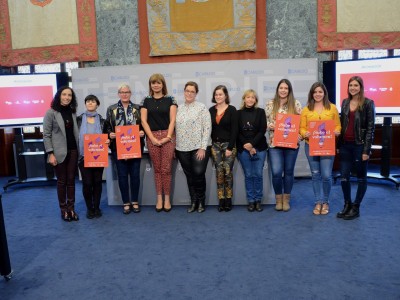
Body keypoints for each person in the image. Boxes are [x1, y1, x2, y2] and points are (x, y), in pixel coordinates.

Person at [337, 76, 375, 220]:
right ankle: (347, 204)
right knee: (344, 177)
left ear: (361, 87)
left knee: (361, 178)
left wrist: (366, 150)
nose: (353, 88)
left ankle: (356, 207)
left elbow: (370, 129)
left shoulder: (368, 103)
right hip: (345, 146)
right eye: (350, 85)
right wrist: (339, 145)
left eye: (356, 85)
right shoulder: (345, 102)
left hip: (360, 146)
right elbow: (342, 124)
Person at [300, 82, 341, 215]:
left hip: (327, 146)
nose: (317, 94)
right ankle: (318, 202)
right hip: (310, 145)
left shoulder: (332, 108)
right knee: (315, 174)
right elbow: (302, 127)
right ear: (312, 94)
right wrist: (303, 133)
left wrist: (336, 131)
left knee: (327, 175)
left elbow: (338, 126)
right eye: (315, 92)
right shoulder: (306, 109)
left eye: (320, 92)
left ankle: (326, 201)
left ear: (324, 93)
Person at [104, 84, 145, 215]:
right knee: (122, 176)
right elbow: (107, 127)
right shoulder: (111, 109)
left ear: (130, 93)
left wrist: (142, 132)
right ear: (118, 94)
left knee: (135, 176)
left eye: (127, 92)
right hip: (118, 147)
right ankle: (126, 202)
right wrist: (110, 134)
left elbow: (144, 124)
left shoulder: (138, 108)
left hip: (135, 147)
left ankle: (134, 201)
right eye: (122, 92)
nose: (124, 94)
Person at [141, 74, 177, 212]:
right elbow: (144, 121)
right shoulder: (146, 101)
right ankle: (159, 199)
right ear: (150, 85)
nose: (156, 85)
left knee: (166, 169)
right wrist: (152, 138)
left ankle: (167, 199)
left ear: (163, 84)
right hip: (152, 137)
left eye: (158, 83)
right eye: (153, 83)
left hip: (168, 136)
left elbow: (173, 120)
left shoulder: (170, 99)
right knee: (157, 169)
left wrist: (168, 137)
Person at [43, 86, 79, 222]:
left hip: (73, 151)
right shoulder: (51, 113)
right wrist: (50, 153)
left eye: (69, 95)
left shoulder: (73, 112)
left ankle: (71, 209)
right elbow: (46, 135)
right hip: (58, 153)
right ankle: (63, 210)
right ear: (59, 96)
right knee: (61, 181)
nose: (67, 97)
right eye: (64, 94)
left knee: (71, 181)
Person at [265, 79, 302, 212]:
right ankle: (278, 198)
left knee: (289, 172)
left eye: (286, 88)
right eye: (281, 88)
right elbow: (265, 122)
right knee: (276, 172)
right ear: (277, 89)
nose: (283, 90)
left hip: (291, 144)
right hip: (274, 144)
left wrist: (300, 135)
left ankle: (286, 199)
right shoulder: (270, 104)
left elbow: (300, 124)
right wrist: (269, 125)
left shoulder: (296, 103)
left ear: (289, 90)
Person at [175, 81, 212, 213]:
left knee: (198, 174)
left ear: (196, 93)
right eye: (187, 91)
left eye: (192, 91)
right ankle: (193, 202)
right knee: (189, 176)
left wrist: (203, 147)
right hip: (181, 148)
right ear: (184, 92)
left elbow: (207, 128)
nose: (189, 93)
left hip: (199, 147)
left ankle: (201, 200)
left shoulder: (202, 108)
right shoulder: (178, 108)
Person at [77, 95, 109, 219]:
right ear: (85, 104)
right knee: (87, 183)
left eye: (93, 101)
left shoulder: (102, 121)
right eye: (88, 101)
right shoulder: (78, 120)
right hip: (83, 157)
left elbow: (106, 136)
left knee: (97, 182)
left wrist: (107, 142)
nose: (90, 103)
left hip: (98, 156)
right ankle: (89, 208)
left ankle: (97, 207)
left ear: (97, 104)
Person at [237, 89, 268, 212]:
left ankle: (258, 200)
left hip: (259, 148)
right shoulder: (238, 113)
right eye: (248, 97)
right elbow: (237, 131)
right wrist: (246, 145)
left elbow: (262, 130)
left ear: (256, 100)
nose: (250, 99)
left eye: (253, 97)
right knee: (249, 175)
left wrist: (252, 144)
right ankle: (251, 201)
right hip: (243, 149)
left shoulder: (260, 112)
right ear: (244, 99)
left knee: (258, 175)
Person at [209, 85, 238, 212]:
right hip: (215, 146)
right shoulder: (210, 110)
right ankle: (221, 200)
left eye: (220, 94)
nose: (218, 96)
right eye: (216, 94)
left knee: (228, 173)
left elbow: (235, 130)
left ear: (225, 95)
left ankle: (228, 199)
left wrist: (230, 147)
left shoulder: (232, 110)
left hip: (229, 146)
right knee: (219, 173)